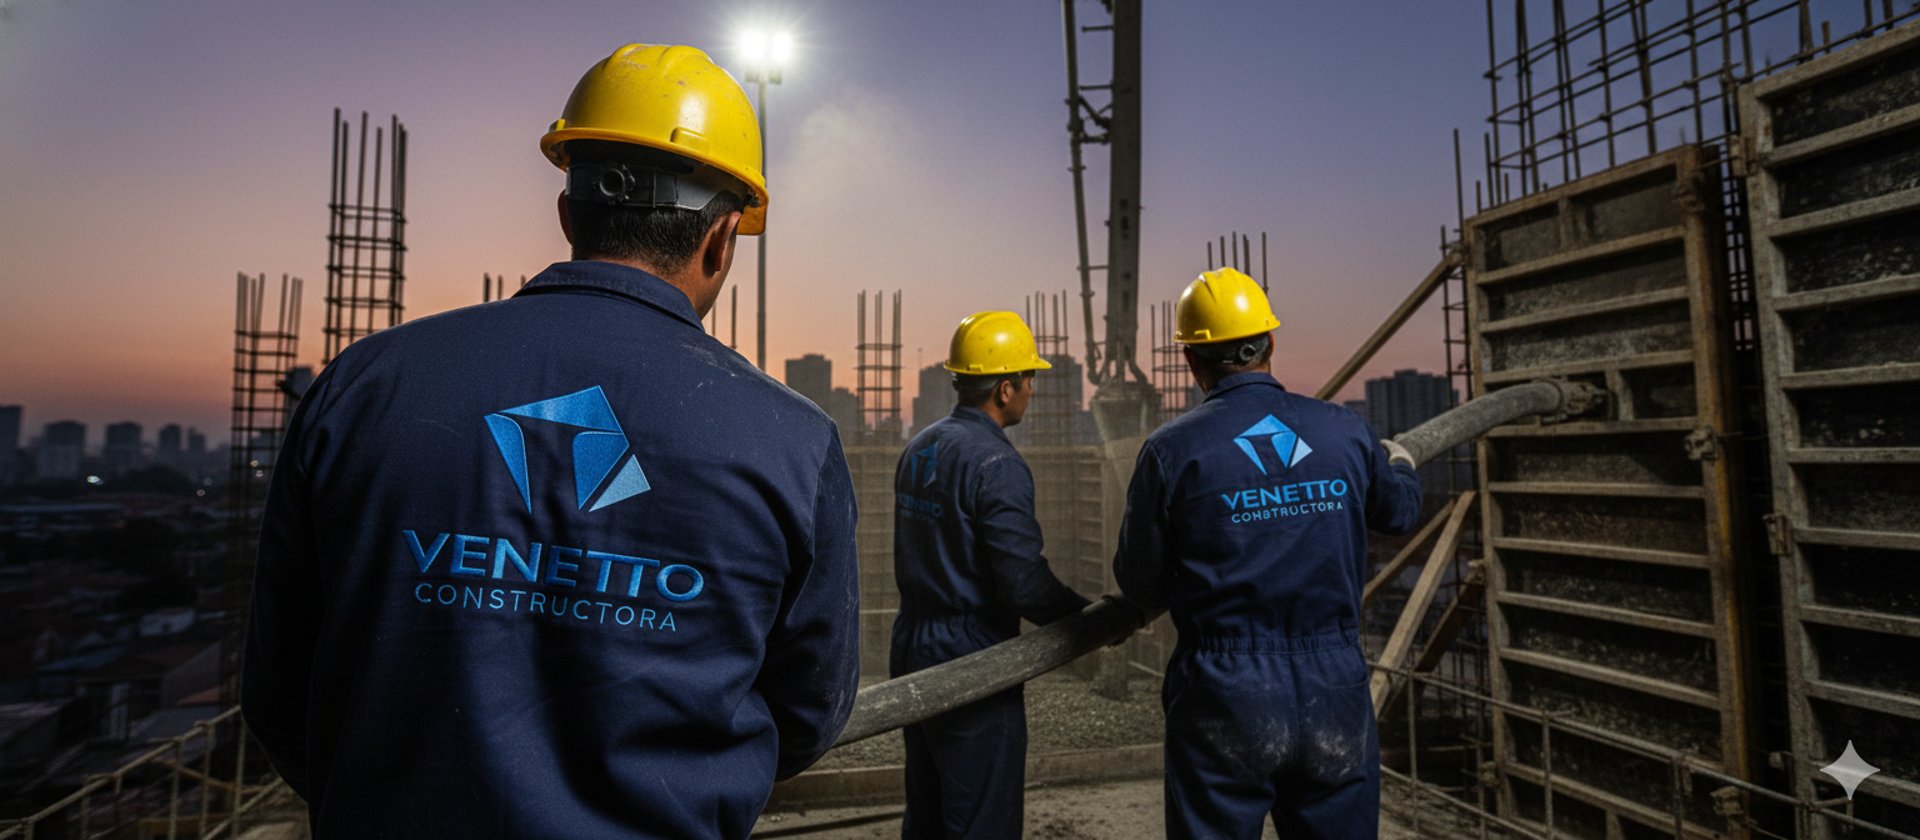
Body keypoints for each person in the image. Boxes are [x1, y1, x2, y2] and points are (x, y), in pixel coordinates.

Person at [242, 44, 860, 839]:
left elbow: (279, 687)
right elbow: (807, 713)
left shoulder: (364, 385)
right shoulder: (791, 442)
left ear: (569, 213)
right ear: (723, 238)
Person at [1112, 268, 1424, 840]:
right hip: (1334, 686)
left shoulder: (1170, 451)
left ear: (1191, 359)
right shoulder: (1344, 431)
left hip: (1225, 693)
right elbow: (1398, 513)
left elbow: (1141, 585)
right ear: (1271, 343)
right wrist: (1400, 461)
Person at [890, 311, 1094, 839]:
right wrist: (1087, 618)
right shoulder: (996, 463)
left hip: (914, 641)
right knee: (982, 818)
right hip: (972, 654)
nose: (1032, 389)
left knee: (930, 808)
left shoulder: (922, 446)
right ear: (1005, 388)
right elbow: (1023, 583)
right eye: (1029, 378)